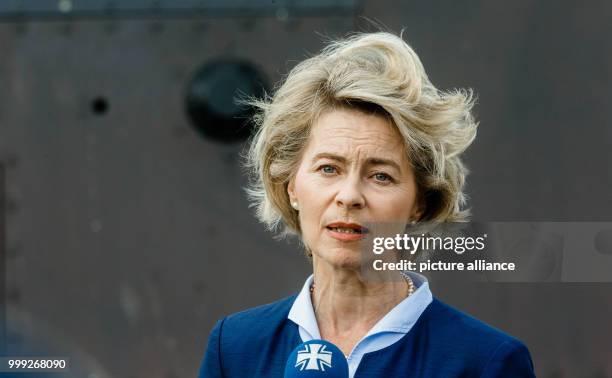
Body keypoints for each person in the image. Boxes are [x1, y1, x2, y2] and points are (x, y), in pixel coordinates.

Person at [198, 31, 535, 377]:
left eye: (381, 176)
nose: (349, 196)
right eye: (329, 168)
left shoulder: (485, 361)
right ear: (291, 186)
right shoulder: (235, 348)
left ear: (420, 202)